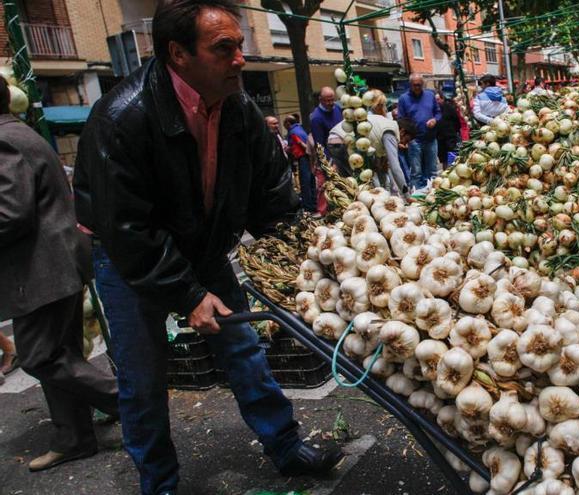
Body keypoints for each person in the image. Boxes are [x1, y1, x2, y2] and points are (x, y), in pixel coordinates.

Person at [73, 2, 342, 493]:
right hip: (130, 258)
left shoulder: (238, 109)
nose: (240, 58)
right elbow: (127, 227)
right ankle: (160, 483)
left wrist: (312, 253)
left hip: (204, 244)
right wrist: (188, 295)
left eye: (240, 45)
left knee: (243, 350)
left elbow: (271, 198)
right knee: (143, 380)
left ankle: (285, 445)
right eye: (224, 48)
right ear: (178, 53)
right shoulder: (122, 117)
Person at [0, 76, 120, 472]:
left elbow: (10, 213)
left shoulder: (4, 141)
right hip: (55, 263)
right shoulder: (20, 132)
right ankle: (74, 438)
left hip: (40, 268)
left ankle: (129, 402)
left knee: (39, 355)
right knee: (60, 353)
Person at [397, 73, 442, 189]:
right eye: (415, 85)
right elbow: (400, 119)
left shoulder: (430, 95)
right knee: (416, 172)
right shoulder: (403, 99)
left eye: (419, 85)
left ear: (423, 84)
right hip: (414, 140)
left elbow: (438, 113)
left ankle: (432, 196)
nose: (417, 87)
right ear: (410, 85)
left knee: (432, 171)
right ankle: (416, 197)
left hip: (431, 139)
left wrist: (434, 120)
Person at [284, 114, 316, 214]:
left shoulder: (292, 132)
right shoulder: (300, 129)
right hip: (309, 157)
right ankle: (314, 203)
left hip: (303, 158)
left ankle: (308, 207)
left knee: (305, 182)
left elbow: (301, 145)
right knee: (311, 181)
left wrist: (288, 149)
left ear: (288, 123)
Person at [436, 92, 462, 169]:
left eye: (438, 99)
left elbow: (457, 121)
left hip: (450, 137)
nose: (437, 101)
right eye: (435, 100)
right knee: (444, 159)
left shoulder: (449, 108)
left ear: (442, 99)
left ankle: (452, 170)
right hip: (439, 138)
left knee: (452, 157)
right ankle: (445, 173)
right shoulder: (434, 110)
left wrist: (454, 131)